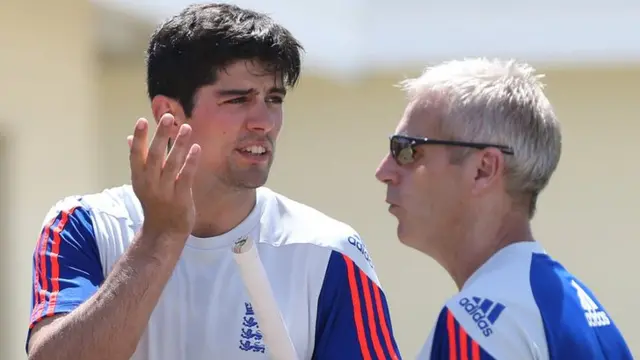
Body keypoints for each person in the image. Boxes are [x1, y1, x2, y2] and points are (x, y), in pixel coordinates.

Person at [26, 4, 401, 360]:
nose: (264, 122)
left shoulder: (328, 250)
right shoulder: (83, 225)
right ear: (168, 113)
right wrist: (160, 237)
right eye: (238, 99)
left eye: (274, 98)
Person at [375, 58, 633, 359]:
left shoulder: (475, 324)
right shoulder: (580, 310)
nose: (384, 171)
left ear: (483, 169)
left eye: (407, 150)